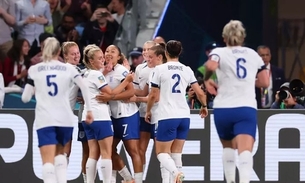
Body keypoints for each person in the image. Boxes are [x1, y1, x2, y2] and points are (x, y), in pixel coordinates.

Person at [203, 20, 269, 183]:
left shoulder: (219, 52)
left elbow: (210, 66)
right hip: (245, 107)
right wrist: (246, 80)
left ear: (224, 37)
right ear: (243, 37)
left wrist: (206, 80)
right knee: (245, 150)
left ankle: (231, 181)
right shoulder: (253, 54)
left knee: (228, 147)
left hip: (223, 107)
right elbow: (265, 82)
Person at [21, 37, 93, 183]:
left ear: (43, 50)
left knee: (48, 161)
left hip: (45, 118)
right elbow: (85, 87)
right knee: (61, 155)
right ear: (59, 51)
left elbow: (25, 98)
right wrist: (89, 110)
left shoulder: (34, 70)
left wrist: (36, 89)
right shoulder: (68, 69)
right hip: (65, 117)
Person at [145, 40, 208, 183]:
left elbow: (154, 94)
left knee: (161, 153)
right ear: (180, 52)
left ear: (166, 52)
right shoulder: (187, 69)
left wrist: (148, 111)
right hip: (184, 116)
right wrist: (204, 106)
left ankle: (176, 173)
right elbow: (200, 92)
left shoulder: (159, 70)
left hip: (167, 115)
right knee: (176, 153)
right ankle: (177, 176)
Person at [81, 44, 133, 183]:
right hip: (100, 117)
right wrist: (127, 80)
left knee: (93, 154)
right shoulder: (97, 74)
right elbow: (110, 93)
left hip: (86, 116)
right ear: (91, 61)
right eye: (100, 58)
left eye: (103, 57)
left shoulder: (85, 73)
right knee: (106, 153)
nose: (103, 60)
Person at [96, 45, 142, 183]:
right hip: (111, 116)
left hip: (127, 115)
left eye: (113, 51)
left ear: (119, 56)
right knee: (108, 149)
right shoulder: (101, 72)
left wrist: (110, 98)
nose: (109, 53)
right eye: (107, 51)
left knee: (132, 150)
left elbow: (130, 92)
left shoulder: (121, 71)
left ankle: (138, 181)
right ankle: (128, 178)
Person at [61, 41, 88, 183]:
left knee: (63, 151)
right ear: (65, 56)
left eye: (78, 53)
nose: (77, 56)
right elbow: (88, 82)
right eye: (73, 54)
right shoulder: (74, 70)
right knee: (65, 150)